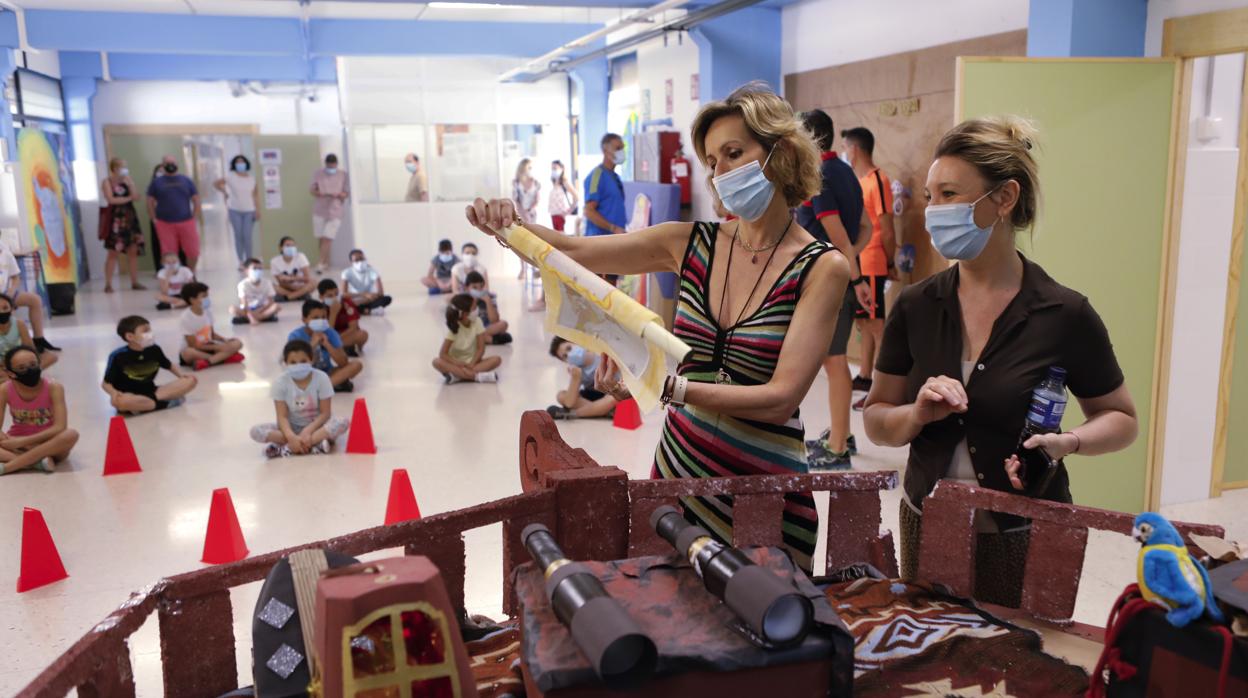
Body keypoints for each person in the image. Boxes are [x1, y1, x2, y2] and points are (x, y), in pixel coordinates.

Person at [467, 83, 850, 572]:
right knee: (669, 622)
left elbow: (779, 398)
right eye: (712, 161)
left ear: (782, 151)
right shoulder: (687, 243)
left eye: (735, 153)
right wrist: (509, 225)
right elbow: (574, 251)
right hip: (676, 480)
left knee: (769, 628)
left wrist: (666, 386)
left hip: (765, 492)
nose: (721, 172)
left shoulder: (822, 268)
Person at [863, 116, 1139, 606]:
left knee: (1025, 668)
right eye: (930, 196)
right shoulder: (916, 305)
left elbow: (1120, 419)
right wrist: (915, 414)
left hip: (1026, 529)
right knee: (934, 658)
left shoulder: (1065, 313)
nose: (934, 211)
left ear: (1005, 198)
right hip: (928, 520)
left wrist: (1066, 443)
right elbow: (878, 422)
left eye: (949, 194)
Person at [797, 109, 870, 471]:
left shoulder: (821, 174)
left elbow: (837, 232)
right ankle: (842, 433)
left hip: (831, 279)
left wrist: (854, 278)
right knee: (833, 360)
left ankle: (839, 446)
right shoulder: (844, 170)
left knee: (835, 361)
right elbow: (865, 228)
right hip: (840, 275)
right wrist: (854, 261)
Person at [842, 127, 895, 409]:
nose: (845, 152)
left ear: (856, 149)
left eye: (846, 147)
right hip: (858, 262)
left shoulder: (878, 179)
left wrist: (890, 261)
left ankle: (886, 389)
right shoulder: (858, 181)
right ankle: (864, 376)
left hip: (874, 261)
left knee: (876, 325)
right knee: (864, 322)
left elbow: (886, 228)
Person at [250, 339, 351, 458]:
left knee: (342, 422)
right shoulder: (280, 382)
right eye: (293, 362)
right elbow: (281, 416)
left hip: (317, 427)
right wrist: (291, 436)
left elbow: (325, 413)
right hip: (290, 429)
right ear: (286, 363)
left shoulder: (322, 378)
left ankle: (288, 447)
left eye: (303, 361)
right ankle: (313, 444)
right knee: (255, 431)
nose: (298, 365)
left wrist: (307, 431)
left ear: (311, 360)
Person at [0, 346, 78, 474]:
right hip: (18, 442)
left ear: (39, 364)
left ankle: (8, 467)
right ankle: (37, 464)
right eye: (21, 368)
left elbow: (60, 427)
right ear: (10, 373)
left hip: (50, 444)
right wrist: (8, 438)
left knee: (71, 435)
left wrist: (21, 442)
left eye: (33, 364)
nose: (29, 370)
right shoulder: (4, 389)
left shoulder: (54, 387)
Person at [103, 315, 198, 414]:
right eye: (145, 331)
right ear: (130, 336)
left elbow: (168, 365)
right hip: (130, 396)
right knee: (120, 402)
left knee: (190, 380)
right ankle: (163, 404)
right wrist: (114, 393)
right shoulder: (118, 356)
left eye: (150, 330)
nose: (150, 334)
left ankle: (144, 407)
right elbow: (105, 384)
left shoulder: (154, 349)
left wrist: (181, 376)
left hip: (154, 392)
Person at [583, 133, 629, 285]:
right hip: (599, 243)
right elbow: (588, 211)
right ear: (605, 151)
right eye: (617, 148)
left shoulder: (615, 178)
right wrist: (612, 227)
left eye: (622, 148)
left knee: (612, 291)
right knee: (597, 291)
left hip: (614, 242)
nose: (621, 151)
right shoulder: (597, 176)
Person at [287, 300, 362, 392]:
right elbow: (297, 363)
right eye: (315, 318)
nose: (321, 321)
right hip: (305, 374)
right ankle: (328, 386)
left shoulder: (330, 333)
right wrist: (313, 344)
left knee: (356, 365)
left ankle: (319, 389)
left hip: (326, 373)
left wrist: (327, 344)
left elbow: (343, 362)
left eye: (323, 317)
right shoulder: (295, 336)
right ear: (304, 320)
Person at [0, 242, 59, 352]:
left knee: (35, 300)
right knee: (6, 311)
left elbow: (16, 277)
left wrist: (11, 291)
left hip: (6, 295)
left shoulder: (6, 253)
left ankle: (38, 339)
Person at [146, 154, 201, 272]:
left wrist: (195, 217)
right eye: (167, 163)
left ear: (177, 164)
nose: (170, 165)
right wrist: (153, 218)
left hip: (186, 221)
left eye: (173, 163)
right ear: (163, 165)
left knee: (193, 251)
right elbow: (149, 201)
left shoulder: (186, 181)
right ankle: (172, 277)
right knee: (168, 254)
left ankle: (190, 274)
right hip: (164, 223)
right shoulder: (156, 183)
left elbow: (196, 199)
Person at [100, 157, 146, 293]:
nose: (125, 169)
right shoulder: (107, 182)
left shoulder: (127, 180)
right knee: (113, 252)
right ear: (114, 168)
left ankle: (134, 282)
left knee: (133, 250)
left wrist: (131, 184)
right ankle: (108, 284)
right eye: (122, 166)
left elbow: (136, 196)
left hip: (130, 217)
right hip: (116, 218)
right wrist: (129, 198)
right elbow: (111, 199)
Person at [434, 294, 501, 384]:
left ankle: (457, 376)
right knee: (436, 362)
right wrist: (457, 363)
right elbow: (443, 354)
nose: (477, 309)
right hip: (455, 364)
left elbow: (480, 349)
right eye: (474, 308)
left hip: (473, 363)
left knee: (497, 359)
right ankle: (476, 377)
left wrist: (472, 364)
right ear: (464, 314)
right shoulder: (454, 327)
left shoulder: (477, 321)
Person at [178, 282, 245, 371]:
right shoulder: (186, 317)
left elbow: (212, 334)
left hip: (209, 346)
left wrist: (225, 340)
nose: (207, 299)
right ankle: (223, 359)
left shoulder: (207, 312)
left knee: (238, 343)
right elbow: (194, 345)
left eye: (207, 296)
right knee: (188, 353)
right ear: (192, 300)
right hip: (195, 349)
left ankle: (208, 361)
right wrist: (218, 348)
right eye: (204, 296)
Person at [546, 337, 616, 420]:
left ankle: (574, 414)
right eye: (565, 356)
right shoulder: (576, 369)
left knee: (614, 398)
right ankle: (603, 411)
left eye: (569, 348)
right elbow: (569, 403)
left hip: (610, 393)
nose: (569, 355)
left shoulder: (600, 353)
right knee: (560, 395)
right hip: (593, 395)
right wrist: (575, 378)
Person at [214, 154, 260, 270]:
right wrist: (224, 191)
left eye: (242, 162)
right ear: (234, 165)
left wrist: (257, 210)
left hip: (249, 210)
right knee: (238, 236)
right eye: (238, 162)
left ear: (246, 164)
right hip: (234, 210)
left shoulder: (252, 179)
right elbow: (216, 183)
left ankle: (249, 260)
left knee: (247, 236)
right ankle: (240, 261)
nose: (240, 164)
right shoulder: (231, 177)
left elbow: (255, 195)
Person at [310, 153, 350, 273]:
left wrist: (338, 194)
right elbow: (312, 189)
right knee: (321, 238)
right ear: (325, 164)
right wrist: (319, 192)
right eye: (329, 166)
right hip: (320, 210)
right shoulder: (318, 173)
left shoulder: (343, 174)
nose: (331, 169)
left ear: (337, 164)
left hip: (335, 210)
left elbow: (346, 192)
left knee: (328, 237)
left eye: (333, 166)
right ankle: (325, 262)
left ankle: (320, 263)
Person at [0, 294, 56, 376]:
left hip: (18, 360)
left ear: (12, 309)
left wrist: (24, 360)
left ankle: (18, 375)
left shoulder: (19, 324)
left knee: (52, 357)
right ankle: (20, 375)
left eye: (5, 308)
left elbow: (30, 348)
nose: (1, 312)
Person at [317, 278, 368, 356]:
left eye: (336, 294)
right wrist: (333, 314)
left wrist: (337, 339)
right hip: (330, 336)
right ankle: (343, 348)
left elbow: (353, 327)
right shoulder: (320, 309)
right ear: (321, 297)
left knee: (363, 334)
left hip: (345, 334)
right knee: (322, 339)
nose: (334, 298)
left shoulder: (347, 303)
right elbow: (327, 332)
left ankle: (340, 347)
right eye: (330, 296)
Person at [464, 271, 510, 345]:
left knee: (503, 324)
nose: (479, 290)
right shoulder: (464, 298)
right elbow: (465, 321)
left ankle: (480, 338)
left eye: (481, 287)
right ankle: (490, 339)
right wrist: (474, 303)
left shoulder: (490, 297)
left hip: (486, 327)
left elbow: (494, 320)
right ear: (467, 288)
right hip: (470, 328)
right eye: (474, 287)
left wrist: (488, 302)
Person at [341, 249, 392, 313]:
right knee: (342, 302)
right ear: (351, 262)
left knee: (387, 298)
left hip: (370, 299)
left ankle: (362, 310)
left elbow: (380, 293)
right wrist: (364, 294)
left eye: (362, 259)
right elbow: (344, 294)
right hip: (355, 297)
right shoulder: (346, 272)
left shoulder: (372, 271)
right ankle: (370, 311)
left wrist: (364, 300)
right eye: (356, 260)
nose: (360, 262)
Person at [232, 258, 281, 325]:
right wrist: (250, 316)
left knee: (276, 306)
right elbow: (244, 304)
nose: (258, 271)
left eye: (260, 269)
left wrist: (259, 311)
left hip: (263, 308)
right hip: (248, 310)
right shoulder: (242, 284)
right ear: (246, 270)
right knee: (232, 309)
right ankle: (259, 318)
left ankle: (250, 319)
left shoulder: (267, 282)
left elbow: (271, 301)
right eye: (254, 268)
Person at [271, 237, 315, 302]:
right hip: (287, 288)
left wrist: (290, 278)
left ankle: (287, 297)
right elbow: (281, 282)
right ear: (280, 247)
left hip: (301, 286)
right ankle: (300, 296)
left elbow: (307, 278)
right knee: (271, 285)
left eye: (293, 245)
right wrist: (293, 287)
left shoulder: (301, 256)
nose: (291, 248)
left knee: (314, 282)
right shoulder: (274, 261)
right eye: (287, 245)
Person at [547, 159, 578, 233]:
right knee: (556, 234)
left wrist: (569, 210)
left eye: (555, 168)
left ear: (561, 169)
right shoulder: (554, 183)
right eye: (552, 169)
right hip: (553, 213)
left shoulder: (564, 182)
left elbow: (576, 196)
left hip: (561, 215)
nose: (553, 171)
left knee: (560, 235)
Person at [513, 158, 541, 225]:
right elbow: (516, 200)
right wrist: (523, 213)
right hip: (520, 214)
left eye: (531, 168)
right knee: (522, 231)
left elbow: (537, 199)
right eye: (529, 167)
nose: (530, 170)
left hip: (532, 214)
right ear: (523, 168)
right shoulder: (516, 183)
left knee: (533, 232)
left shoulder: (535, 183)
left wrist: (529, 210)